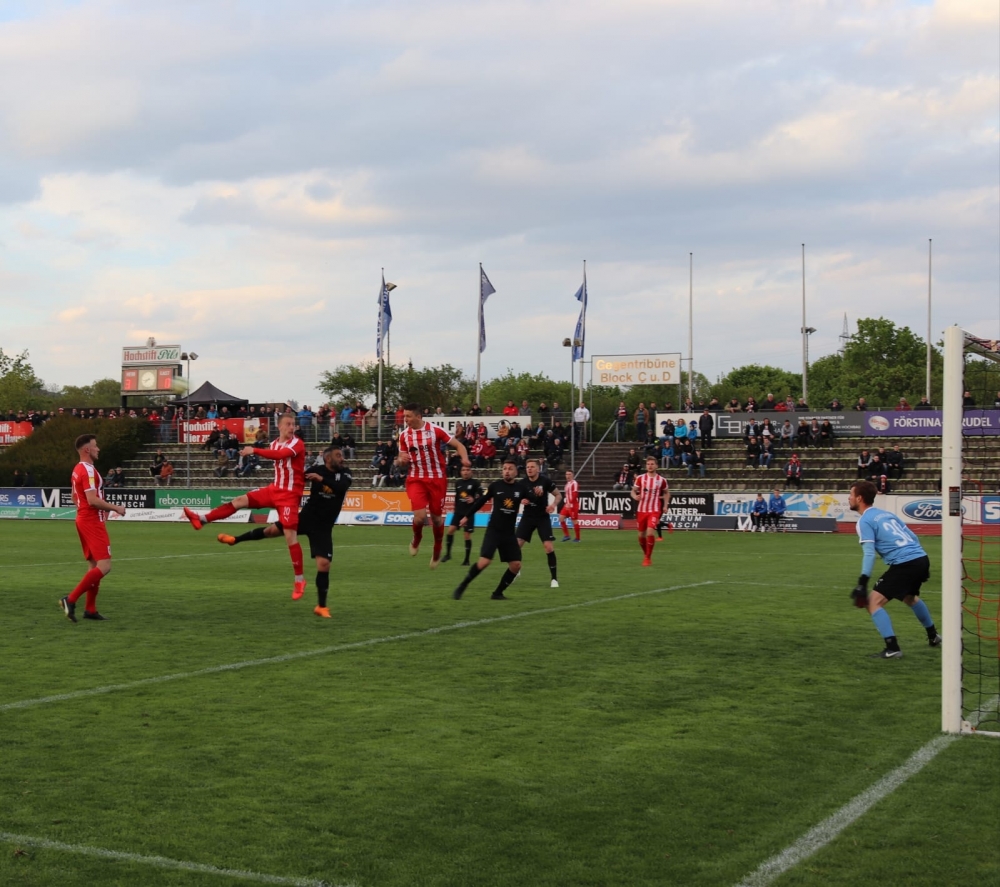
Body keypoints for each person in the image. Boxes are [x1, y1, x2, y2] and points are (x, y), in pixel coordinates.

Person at [183, 412, 309, 600]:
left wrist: (254, 450)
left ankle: (299, 580)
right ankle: (201, 519)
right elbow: (276, 455)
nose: (292, 427)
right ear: (280, 426)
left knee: (290, 536)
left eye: (293, 424)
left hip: (290, 495)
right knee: (239, 500)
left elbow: (280, 455)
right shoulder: (274, 443)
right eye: (288, 424)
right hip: (274, 489)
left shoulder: (297, 443)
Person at [217, 446, 352, 618]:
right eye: (338, 455)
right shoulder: (316, 470)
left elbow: (341, 488)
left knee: (324, 564)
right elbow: (295, 480)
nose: (342, 458)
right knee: (270, 531)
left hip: (323, 526)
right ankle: (235, 539)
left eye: (342, 455)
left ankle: (321, 606)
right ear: (328, 458)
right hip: (306, 517)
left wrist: (321, 480)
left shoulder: (345, 473)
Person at [848, 480, 942, 658]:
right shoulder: (886, 514)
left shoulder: (864, 521)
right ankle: (933, 636)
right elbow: (913, 536)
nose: (849, 498)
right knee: (910, 598)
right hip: (921, 558)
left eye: (851, 495)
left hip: (905, 564)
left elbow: (869, 553)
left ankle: (892, 648)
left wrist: (862, 583)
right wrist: (917, 558)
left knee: (872, 603)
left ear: (859, 498)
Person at [451, 459, 544, 600]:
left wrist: (538, 494)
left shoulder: (521, 488)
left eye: (510, 469)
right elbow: (480, 502)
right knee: (484, 562)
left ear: (516, 472)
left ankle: (498, 593)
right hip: (494, 530)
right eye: (505, 468)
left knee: (516, 565)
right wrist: (466, 516)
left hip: (509, 533)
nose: (507, 471)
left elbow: (534, 499)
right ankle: (463, 585)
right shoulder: (495, 486)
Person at [60, 434, 127, 622]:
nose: (98, 449)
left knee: (94, 566)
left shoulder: (77, 469)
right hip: (91, 521)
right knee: (105, 566)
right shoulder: (88, 470)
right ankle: (70, 599)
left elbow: (75, 496)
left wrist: (86, 511)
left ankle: (90, 609)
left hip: (83, 519)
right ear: (87, 449)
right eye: (95, 446)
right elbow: (92, 499)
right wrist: (115, 508)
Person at [397, 403, 471, 568]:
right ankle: (417, 538)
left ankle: (437, 547)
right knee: (420, 517)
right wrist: (401, 460)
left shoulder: (435, 430)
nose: (405, 419)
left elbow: (459, 445)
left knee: (437, 519)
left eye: (408, 416)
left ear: (418, 416)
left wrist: (464, 458)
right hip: (416, 479)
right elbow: (401, 458)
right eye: (404, 416)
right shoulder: (404, 435)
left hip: (437, 479)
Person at [515, 458, 563, 587]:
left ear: (538, 469)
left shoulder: (545, 481)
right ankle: (516, 569)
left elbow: (558, 495)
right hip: (527, 517)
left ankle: (554, 579)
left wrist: (553, 505)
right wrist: (521, 500)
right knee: (516, 545)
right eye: (527, 467)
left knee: (548, 547)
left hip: (542, 517)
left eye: (532, 467)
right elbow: (516, 497)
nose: (529, 469)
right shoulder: (522, 483)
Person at [631, 456, 669, 567]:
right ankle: (646, 554)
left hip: (654, 510)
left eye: (652, 464)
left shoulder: (661, 480)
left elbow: (667, 493)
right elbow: (633, 491)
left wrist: (665, 505)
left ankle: (648, 558)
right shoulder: (640, 478)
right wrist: (635, 496)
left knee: (650, 532)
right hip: (641, 510)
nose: (650, 466)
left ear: (656, 466)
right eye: (648, 464)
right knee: (641, 536)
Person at [442, 465, 483, 566]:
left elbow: (481, 496)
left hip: (469, 513)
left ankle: (466, 560)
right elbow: (457, 497)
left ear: (471, 471)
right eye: (463, 470)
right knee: (450, 531)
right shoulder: (458, 483)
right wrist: (455, 509)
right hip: (458, 512)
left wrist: (474, 499)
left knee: (466, 535)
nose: (465, 472)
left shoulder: (475, 483)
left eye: (468, 470)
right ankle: (448, 554)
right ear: (461, 472)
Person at [559, 469, 581, 542]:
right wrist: (567, 503)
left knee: (574, 521)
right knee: (561, 518)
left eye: (569, 474)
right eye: (566, 474)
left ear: (572, 475)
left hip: (573, 505)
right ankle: (567, 535)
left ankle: (577, 538)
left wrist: (570, 503)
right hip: (567, 505)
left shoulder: (574, 483)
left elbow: (575, 494)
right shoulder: (567, 484)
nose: (567, 476)